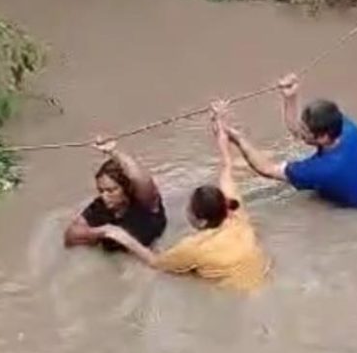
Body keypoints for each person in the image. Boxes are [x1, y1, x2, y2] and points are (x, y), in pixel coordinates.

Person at [100, 103, 270, 292]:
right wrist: (219, 122)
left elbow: (155, 262)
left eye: (189, 209)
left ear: (202, 222)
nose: (186, 210)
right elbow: (226, 166)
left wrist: (123, 237)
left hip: (237, 294)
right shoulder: (236, 214)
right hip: (264, 276)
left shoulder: (194, 248)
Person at [227, 74, 357, 212]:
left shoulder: (323, 168)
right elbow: (299, 132)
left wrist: (236, 137)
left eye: (306, 131)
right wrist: (291, 98)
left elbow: (266, 169)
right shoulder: (347, 128)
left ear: (324, 137)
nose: (301, 133)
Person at [64, 138, 167, 253]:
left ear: (127, 187)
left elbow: (140, 178)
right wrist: (103, 232)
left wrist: (113, 151)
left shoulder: (144, 202)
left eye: (111, 190)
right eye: (101, 190)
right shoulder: (100, 207)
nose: (104, 196)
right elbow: (70, 235)